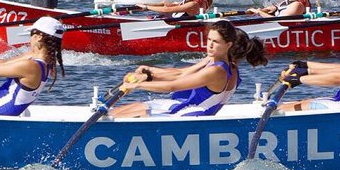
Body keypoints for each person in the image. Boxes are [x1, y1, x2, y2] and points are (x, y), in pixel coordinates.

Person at [111, 21, 268, 117]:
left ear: (229, 45)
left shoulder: (218, 71)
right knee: (118, 112)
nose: (210, 45)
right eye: (209, 40)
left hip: (190, 115)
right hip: (183, 106)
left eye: (216, 41)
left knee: (125, 115)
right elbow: (182, 73)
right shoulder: (216, 62)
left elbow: (175, 84)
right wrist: (150, 72)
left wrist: (137, 84)